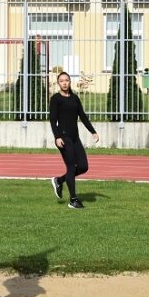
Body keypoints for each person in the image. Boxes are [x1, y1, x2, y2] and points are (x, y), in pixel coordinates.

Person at [48, 71, 99, 209]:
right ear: (58, 83)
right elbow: (53, 121)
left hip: (75, 137)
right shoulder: (56, 99)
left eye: (67, 80)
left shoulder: (75, 98)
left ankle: (59, 180)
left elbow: (82, 116)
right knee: (71, 167)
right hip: (63, 138)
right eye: (61, 81)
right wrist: (57, 137)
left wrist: (93, 131)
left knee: (83, 166)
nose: (64, 83)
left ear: (70, 82)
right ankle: (73, 200)